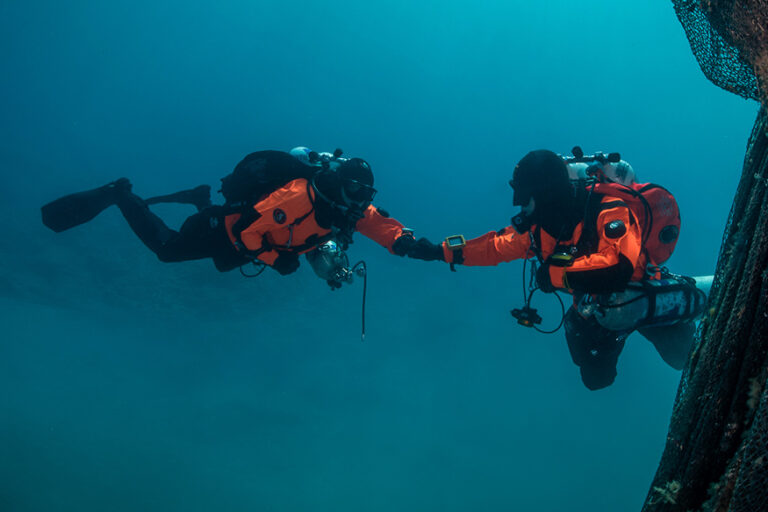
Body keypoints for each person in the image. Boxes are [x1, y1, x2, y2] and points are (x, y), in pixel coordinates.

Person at [406, 149, 706, 390]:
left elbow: (619, 267)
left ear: (545, 193)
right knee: (595, 377)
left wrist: (557, 275)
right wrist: (437, 252)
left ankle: (698, 294)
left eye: (524, 196)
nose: (518, 204)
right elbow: (494, 247)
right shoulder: (538, 229)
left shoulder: (610, 208)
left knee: (683, 358)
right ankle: (664, 314)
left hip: (638, 293)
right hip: (594, 304)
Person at [41, 150, 416, 283]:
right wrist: (276, 260)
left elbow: (379, 226)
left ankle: (199, 198)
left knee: (222, 263)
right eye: (355, 191)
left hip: (242, 244)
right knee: (166, 249)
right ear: (338, 183)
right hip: (227, 228)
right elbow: (251, 233)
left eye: (365, 195)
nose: (359, 200)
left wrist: (426, 249)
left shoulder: (342, 208)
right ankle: (119, 193)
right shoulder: (300, 196)